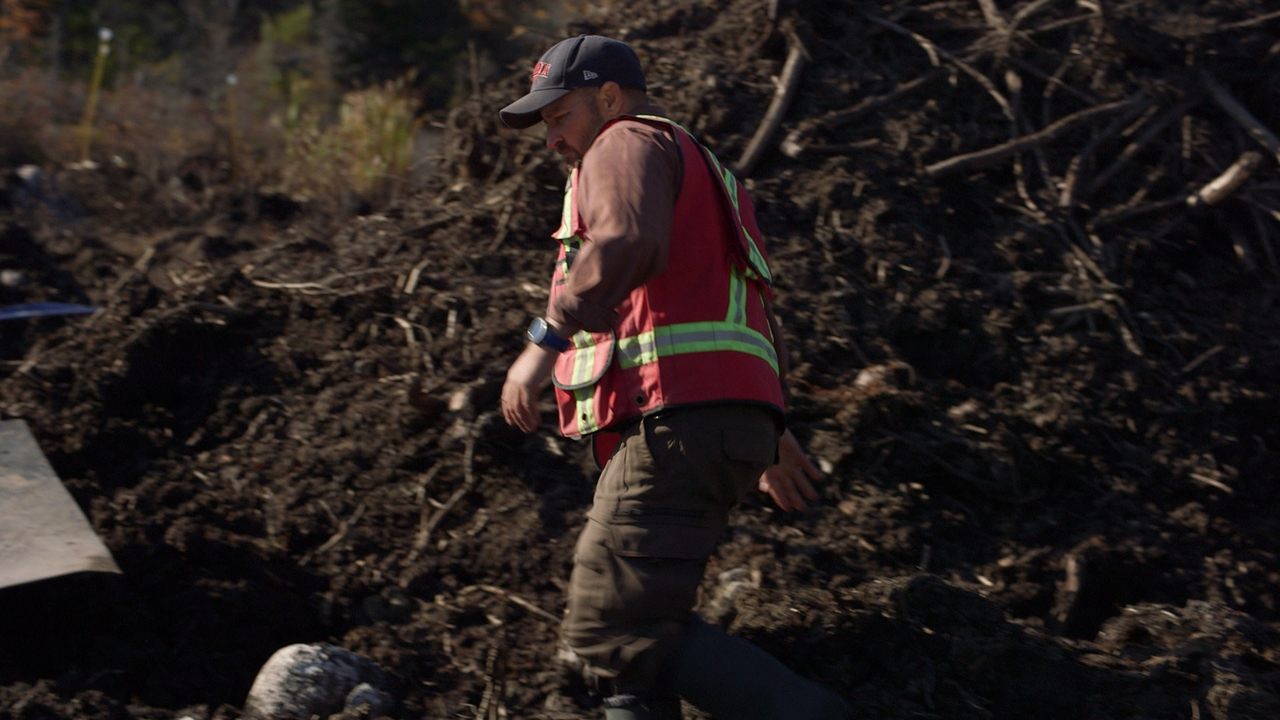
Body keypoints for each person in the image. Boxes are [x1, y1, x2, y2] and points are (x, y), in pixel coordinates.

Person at [498, 35, 851, 720]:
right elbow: (741, 307)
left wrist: (545, 340)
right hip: (713, 424)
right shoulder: (701, 168)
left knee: (610, 627)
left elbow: (628, 241)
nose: (553, 140)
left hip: (677, 426)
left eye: (559, 117)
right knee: (637, 642)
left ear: (606, 98)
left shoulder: (624, 142)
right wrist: (769, 428)